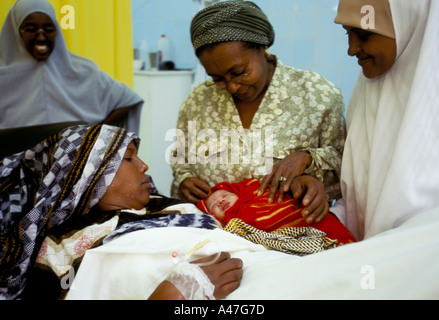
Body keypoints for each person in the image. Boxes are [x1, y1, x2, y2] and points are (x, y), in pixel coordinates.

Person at [0, 124, 242, 300]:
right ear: (89, 179)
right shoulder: (57, 252)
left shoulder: (166, 205)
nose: (144, 166)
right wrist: (169, 296)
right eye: (128, 158)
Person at [171, 1, 346, 225]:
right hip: (215, 238)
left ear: (262, 47)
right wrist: (185, 181)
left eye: (240, 72)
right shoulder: (197, 101)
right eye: (217, 79)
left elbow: (345, 168)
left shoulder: (318, 95)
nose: (232, 86)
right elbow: (180, 159)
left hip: (287, 238)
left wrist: (309, 158)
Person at [332, 0, 439, 240]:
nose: (351, 49)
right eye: (348, 33)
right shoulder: (367, 89)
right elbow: (362, 191)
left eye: (363, 34)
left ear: (407, 23)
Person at [0, 0, 143, 133]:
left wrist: (94, 134)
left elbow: (128, 99)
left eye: (49, 29)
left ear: (57, 32)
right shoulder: (3, 76)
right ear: (16, 32)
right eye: (31, 29)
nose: (41, 37)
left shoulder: (83, 70)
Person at [196, 178, 356, 245]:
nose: (221, 201)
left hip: (308, 222)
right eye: (214, 206)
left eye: (224, 195)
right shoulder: (233, 225)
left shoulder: (259, 194)